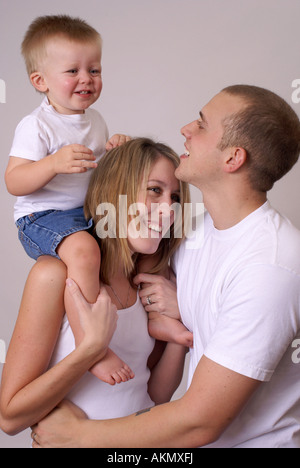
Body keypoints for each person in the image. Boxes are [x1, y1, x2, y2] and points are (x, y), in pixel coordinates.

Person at [29, 84, 300, 448]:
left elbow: (199, 422)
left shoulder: (272, 266)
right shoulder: (190, 238)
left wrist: (78, 436)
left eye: (202, 125)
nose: (186, 128)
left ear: (233, 159)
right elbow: (121, 206)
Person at [0, 137, 191, 438]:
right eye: (155, 190)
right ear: (116, 192)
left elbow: (153, 396)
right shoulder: (54, 276)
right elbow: (10, 418)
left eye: (176, 198)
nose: (169, 210)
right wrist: (90, 350)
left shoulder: (151, 281)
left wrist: (181, 332)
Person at [4, 15, 131, 383]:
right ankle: (90, 346)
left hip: (84, 213)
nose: (86, 79)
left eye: (94, 69)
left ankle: (155, 320)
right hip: (42, 217)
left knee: (131, 241)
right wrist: (51, 163)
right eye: (72, 70)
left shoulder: (95, 120)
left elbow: (94, 170)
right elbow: (14, 180)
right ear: (40, 81)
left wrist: (112, 151)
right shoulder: (36, 125)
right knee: (84, 252)